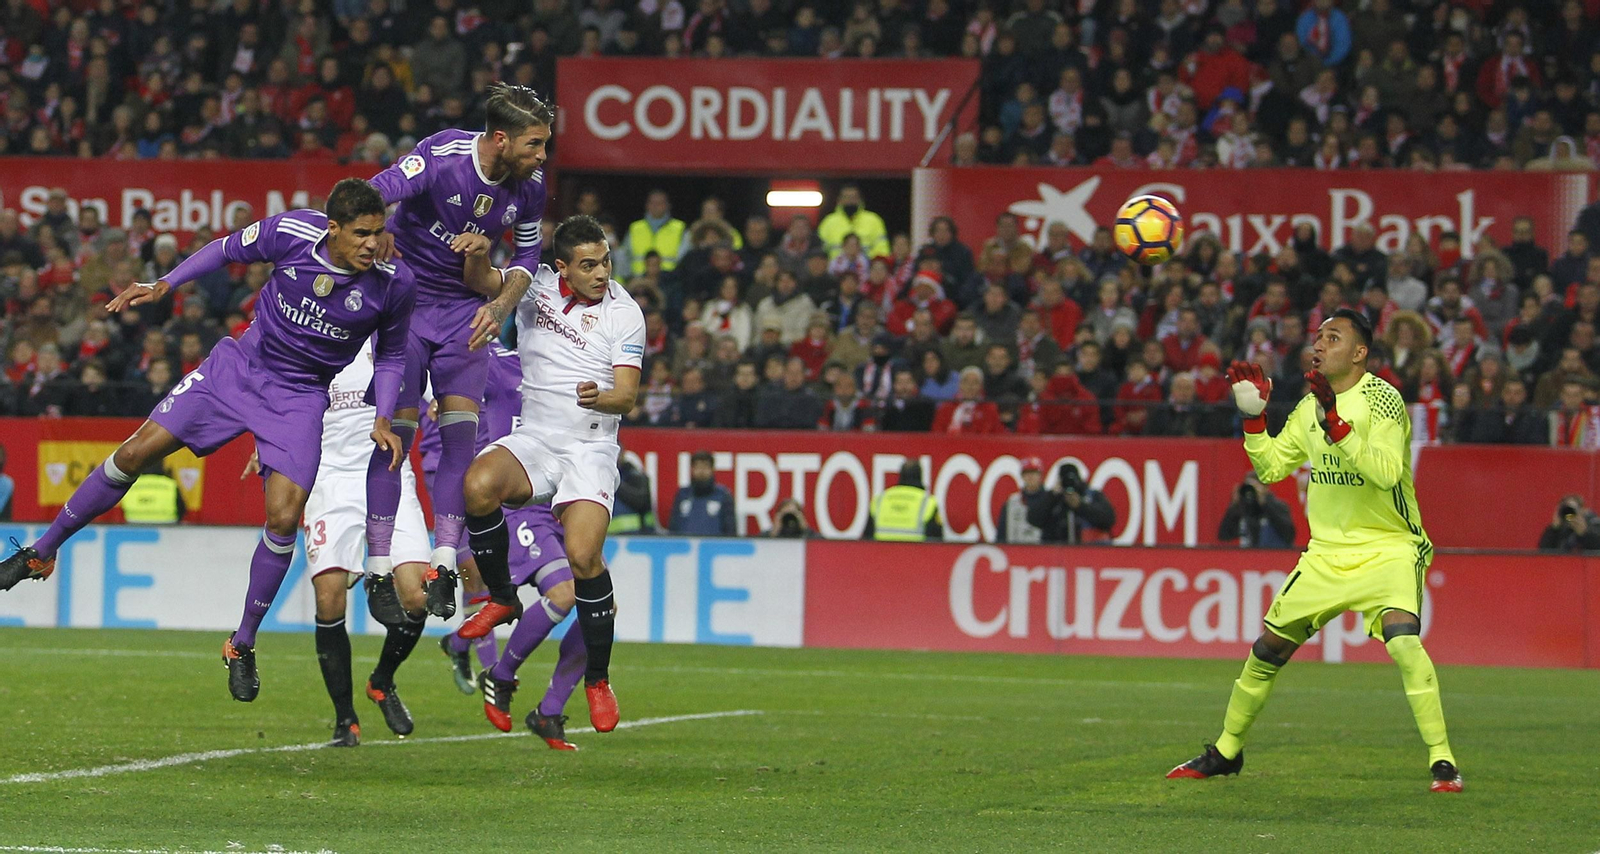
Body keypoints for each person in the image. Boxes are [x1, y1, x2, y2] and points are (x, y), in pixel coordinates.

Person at [0, 179, 414, 703]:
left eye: (379, 233)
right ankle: (42, 551)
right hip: (238, 371)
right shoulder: (290, 232)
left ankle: (242, 644)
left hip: (300, 400)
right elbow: (224, 249)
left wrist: (383, 416)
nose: (373, 245)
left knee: (285, 516)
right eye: (361, 234)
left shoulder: (395, 282)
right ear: (332, 228)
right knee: (133, 453)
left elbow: (395, 354)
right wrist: (166, 283)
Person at [1170, 308, 1462, 794]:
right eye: (1318, 337)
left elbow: (1387, 472)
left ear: (1360, 353)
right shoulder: (1309, 407)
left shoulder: (1383, 401)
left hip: (1389, 546)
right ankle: (1225, 752)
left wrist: (1338, 426)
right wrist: (1254, 419)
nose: (1319, 346)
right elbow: (1270, 469)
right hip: (1326, 553)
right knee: (1267, 650)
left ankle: (1443, 762)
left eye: (1333, 337)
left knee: (1404, 641)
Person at [365, 82, 552, 623]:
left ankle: (444, 564)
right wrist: (377, 231)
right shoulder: (441, 156)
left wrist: (500, 309)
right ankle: (379, 570)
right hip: (405, 305)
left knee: (459, 443)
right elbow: (376, 189)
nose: (542, 157)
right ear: (500, 139)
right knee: (395, 438)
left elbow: (529, 255)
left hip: (464, 316)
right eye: (534, 145)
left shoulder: (530, 187)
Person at [457, 215, 643, 734]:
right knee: (478, 485)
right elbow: (483, 283)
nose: (602, 272)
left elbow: (626, 395)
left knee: (584, 559)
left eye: (605, 260)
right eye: (588, 265)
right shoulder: (534, 287)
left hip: (589, 443)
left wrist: (598, 396)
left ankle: (598, 680)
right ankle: (500, 598)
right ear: (561, 267)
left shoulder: (624, 314)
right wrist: (475, 252)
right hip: (537, 438)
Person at [436, 333, 591, 750]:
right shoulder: (496, 360)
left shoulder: (578, 367)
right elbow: (447, 366)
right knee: (564, 592)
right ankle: (500, 675)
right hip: (520, 501)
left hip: (564, 499)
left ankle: (549, 711)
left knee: (602, 607)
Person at [280, 337, 435, 746]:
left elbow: (431, 392)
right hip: (330, 479)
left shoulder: (396, 339)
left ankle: (382, 680)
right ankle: (345, 720)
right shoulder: (317, 336)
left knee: (418, 597)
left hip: (388, 470)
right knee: (329, 598)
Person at [1026, 463, 1115, 544]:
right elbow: (1033, 519)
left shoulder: (1092, 496)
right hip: (1057, 553)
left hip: (1089, 552)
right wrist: (1052, 496)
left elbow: (1109, 519)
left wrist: (1081, 506)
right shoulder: (1052, 499)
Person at [864, 461, 942, 541]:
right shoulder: (928, 502)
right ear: (920, 476)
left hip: (881, 552)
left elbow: (866, 538)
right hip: (915, 552)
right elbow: (936, 540)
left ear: (901, 476)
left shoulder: (880, 500)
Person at [1217, 471, 1296, 548]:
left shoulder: (1278, 506)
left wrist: (1264, 503)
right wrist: (1235, 505)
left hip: (1273, 556)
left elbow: (1289, 535)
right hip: (1248, 557)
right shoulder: (1243, 508)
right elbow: (1224, 536)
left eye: (1255, 487)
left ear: (1266, 488)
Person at [668, 450, 737, 536]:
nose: (701, 471)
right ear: (692, 469)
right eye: (698, 467)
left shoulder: (723, 496)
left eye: (705, 467)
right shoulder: (682, 495)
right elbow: (673, 529)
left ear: (712, 470)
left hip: (715, 548)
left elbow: (731, 532)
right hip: (685, 548)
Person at [817, 184, 889, 258]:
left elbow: (882, 250)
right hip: (835, 268)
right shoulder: (829, 222)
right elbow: (819, 251)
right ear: (839, 200)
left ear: (860, 199)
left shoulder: (874, 221)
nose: (850, 201)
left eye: (853, 197)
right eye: (846, 197)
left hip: (866, 268)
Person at [996, 456, 1050, 543]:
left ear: (1040, 475)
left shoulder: (1050, 501)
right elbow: (1001, 534)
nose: (1030, 476)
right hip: (1016, 552)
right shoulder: (1012, 503)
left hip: (1043, 553)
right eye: (1027, 473)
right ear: (1022, 476)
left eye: (1034, 472)